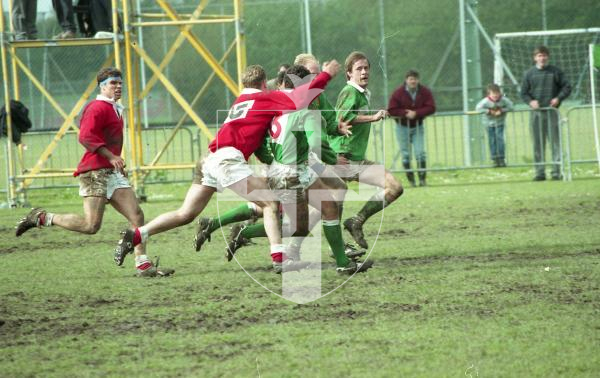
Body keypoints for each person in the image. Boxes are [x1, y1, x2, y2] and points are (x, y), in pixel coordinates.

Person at [113, 61, 343, 273]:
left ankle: (135, 236)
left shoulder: (241, 99)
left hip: (209, 159)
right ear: (264, 84)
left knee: (185, 214)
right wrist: (326, 75)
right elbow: (298, 101)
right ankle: (280, 260)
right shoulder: (264, 98)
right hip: (228, 159)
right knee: (270, 202)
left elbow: (258, 140)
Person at [15, 67, 172, 277]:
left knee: (136, 215)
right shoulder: (96, 107)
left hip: (110, 172)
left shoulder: (115, 108)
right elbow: (85, 137)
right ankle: (41, 217)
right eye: (113, 83)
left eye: (120, 83)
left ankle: (142, 264)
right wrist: (111, 157)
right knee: (91, 226)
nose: (118, 87)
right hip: (94, 172)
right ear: (102, 87)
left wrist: (117, 164)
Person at [221, 65, 371, 274]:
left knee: (328, 206)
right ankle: (245, 233)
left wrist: (271, 161)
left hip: (285, 171)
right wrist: (333, 159)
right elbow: (317, 143)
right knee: (298, 226)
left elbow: (260, 141)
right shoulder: (305, 111)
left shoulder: (275, 108)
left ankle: (343, 263)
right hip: (292, 175)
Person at [329, 51, 404, 250]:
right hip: (340, 159)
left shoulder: (362, 94)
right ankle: (338, 250)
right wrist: (372, 117)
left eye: (366, 68)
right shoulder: (349, 91)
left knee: (394, 187)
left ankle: (357, 221)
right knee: (318, 212)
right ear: (348, 74)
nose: (364, 72)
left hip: (357, 160)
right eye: (359, 69)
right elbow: (341, 119)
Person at [520, 45, 571, 181]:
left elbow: (567, 87)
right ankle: (539, 172)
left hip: (552, 112)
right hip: (536, 114)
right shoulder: (529, 74)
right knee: (538, 143)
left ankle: (556, 172)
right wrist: (530, 102)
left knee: (555, 142)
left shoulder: (556, 72)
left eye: (544, 55)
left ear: (548, 56)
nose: (542, 58)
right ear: (535, 58)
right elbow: (523, 93)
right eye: (539, 55)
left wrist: (558, 98)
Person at [388, 69, 436, 187]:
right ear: (406, 80)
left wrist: (416, 113)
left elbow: (431, 107)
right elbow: (392, 109)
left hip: (418, 127)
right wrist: (405, 113)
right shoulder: (398, 93)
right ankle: (411, 181)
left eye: (415, 79)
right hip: (402, 127)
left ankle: (422, 180)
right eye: (411, 79)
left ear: (418, 80)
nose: (413, 81)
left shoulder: (424, 92)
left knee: (420, 153)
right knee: (406, 155)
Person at [476, 84, 514, 167]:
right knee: (492, 141)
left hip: (500, 123)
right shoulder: (485, 101)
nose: (496, 95)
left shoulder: (504, 100)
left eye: (497, 93)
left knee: (500, 140)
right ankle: (494, 159)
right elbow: (478, 108)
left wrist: (502, 110)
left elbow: (511, 107)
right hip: (488, 124)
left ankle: (501, 158)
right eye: (493, 94)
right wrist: (489, 111)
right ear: (489, 94)